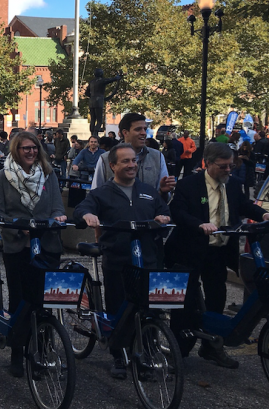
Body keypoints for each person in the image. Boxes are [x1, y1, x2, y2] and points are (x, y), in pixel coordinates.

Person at [166, 142, 269, 369]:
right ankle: (179, 351)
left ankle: (212, 347)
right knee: (185, 302)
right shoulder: (188, 185)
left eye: (232, 165)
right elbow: (178, 212)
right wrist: (199, 224)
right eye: (223, 166)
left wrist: (265, 214)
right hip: (189, 250)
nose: (229, 170)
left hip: (218, 251)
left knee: (217, 298)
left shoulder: (234, 185)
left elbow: (245, 206)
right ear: (208, 164)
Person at [73, 143, 171, 379]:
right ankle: (119, 354)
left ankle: (147, 353)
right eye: (125, 161)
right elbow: (81, 209)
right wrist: (87, 215)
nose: (131, 165)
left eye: (134, 161)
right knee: (119, 306)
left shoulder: (148, 191)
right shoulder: (101, 193)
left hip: (147, 259)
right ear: (113, 165)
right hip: (118, 259)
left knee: (148, 309)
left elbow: (165, 211)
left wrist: (164, 216)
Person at [0, 131, 66, 377]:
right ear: (16, 150)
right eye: (25, 148)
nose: (31, 152)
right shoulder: (2, 177)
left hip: (46, 244)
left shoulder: (48, 174)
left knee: (44, 302)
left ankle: (43, 351)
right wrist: (17, 226)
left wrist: (58, 217)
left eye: (34, 147)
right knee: (20, 300)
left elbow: (57, 205)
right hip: (17, 245)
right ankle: (17, 352)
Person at [91, 112, 175, 199]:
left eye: (144, 129)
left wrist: (163, 192)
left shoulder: (157, 157)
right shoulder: (105, 159)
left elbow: (164, 198)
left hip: (148, 212)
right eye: (138, 129)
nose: (143, 133)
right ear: (125, 133)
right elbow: (95, 194)